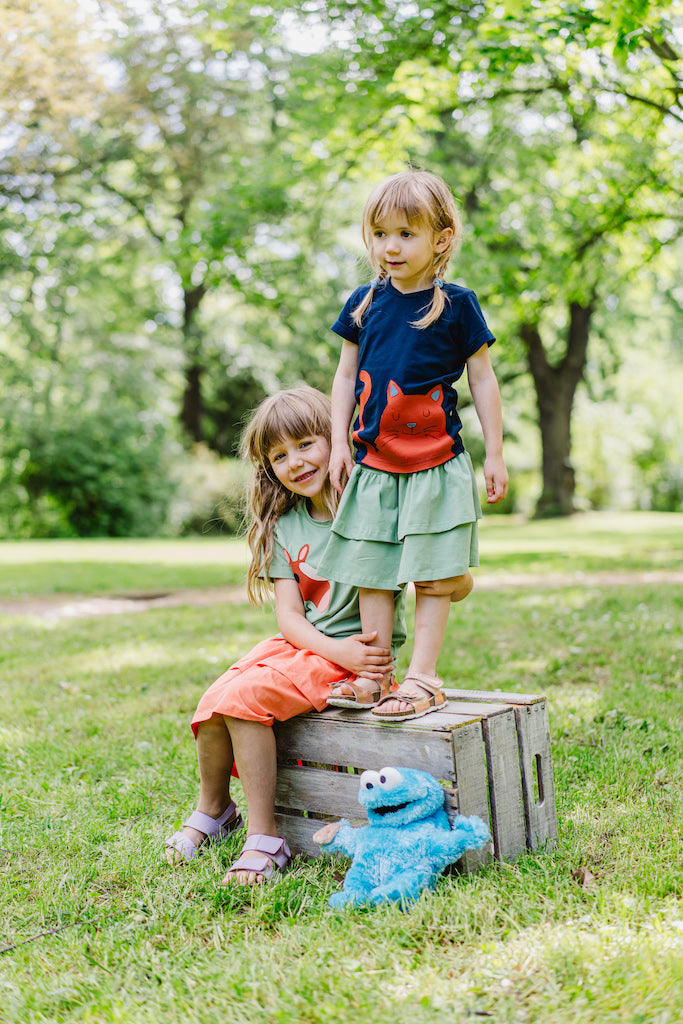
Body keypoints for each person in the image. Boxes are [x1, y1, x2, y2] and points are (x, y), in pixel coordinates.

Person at [165, 386, 405, 885]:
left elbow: (375, 622)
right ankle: (215, 811)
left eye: (305, 444)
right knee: (215, 700)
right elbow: (290, 618)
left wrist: (349, 656)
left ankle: (265, 837)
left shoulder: (366, 506)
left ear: (335, 438)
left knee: (246, 699)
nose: (294, 462)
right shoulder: (285, 523)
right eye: (279, 455)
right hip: (309, 645)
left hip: (353, 659)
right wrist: (327, 645)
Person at [318, 169, 508, 722]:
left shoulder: (456, 304)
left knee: (427, 574)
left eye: (405, 233)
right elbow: (344, 377)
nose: (390, 246)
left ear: (441, 238)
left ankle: (424, 678)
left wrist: (495, 453)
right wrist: (338, 445)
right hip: (373, 465)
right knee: (372, 571)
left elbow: (483, 380)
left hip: (435, 465)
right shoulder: (363, 303)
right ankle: (374, 678)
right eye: (380, 234)